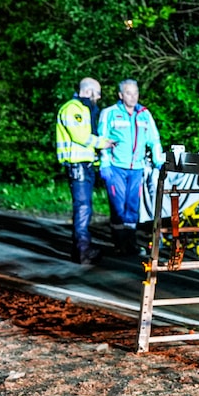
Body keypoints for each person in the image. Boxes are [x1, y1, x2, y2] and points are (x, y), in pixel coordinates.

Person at [97, 79, 165, 256]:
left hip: (137, 168)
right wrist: (104, 165)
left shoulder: (144, 114)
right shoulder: (109, 113)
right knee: (118, 207)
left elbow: (154, 139)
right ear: (120, 95)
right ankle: (119, 244)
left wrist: (159, 161)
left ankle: (131, 242)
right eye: (128, 93)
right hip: (115, 168)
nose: (133, 97)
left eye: (135, 93)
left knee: (132, 207)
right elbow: (101, 139)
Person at [55, 77, 112, 264]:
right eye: (97, 92)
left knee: (85, 207)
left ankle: (83, 248)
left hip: (84, 164)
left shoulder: (83, 109)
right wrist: (103, 143)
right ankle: (82, 250)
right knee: (83, 207)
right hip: (77, 164)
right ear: (88, 91)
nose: (99, 96)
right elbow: (80, 136)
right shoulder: (73, 109)